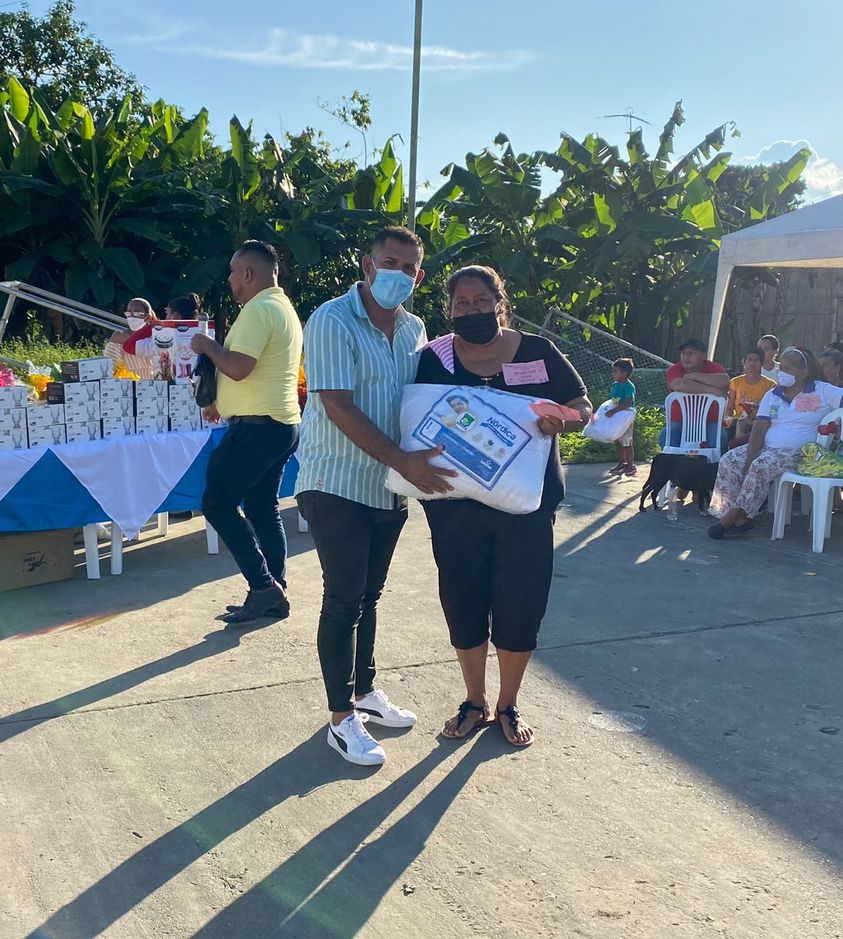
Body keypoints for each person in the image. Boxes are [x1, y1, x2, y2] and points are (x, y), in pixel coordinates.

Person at [295, 226, 455, 767]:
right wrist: (403, 460)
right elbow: (337, 404)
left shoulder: (415, 328)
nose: (399, 275)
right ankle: (341, 718)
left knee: (369, 596)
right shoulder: (331, 319)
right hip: (336, 480)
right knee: (343, 598)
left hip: (389, 487)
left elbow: (421, 401)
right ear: (367, 265)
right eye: (390, 263)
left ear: (419, 276)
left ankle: (363, 691)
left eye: (409, 268)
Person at [415, 265, 592, 747]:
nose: (471, 309)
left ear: (499, 302)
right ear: (449, 310)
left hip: (526, 507)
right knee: (463, 601)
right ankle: (474, 701)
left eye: (480, 301)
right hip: (455, 507)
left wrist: (564, 420)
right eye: (461, 303)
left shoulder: (537, 351)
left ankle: (508, 704)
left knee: (521, 603)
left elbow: (581, 404)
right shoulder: (433, 358)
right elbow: (411, 414)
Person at [191, 240, 303, 623]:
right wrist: (221, 399)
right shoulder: (281, 307)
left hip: (258, 429)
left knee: (216, 503)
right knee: (261, 507)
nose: (229, 279)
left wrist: (208, 346)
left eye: (232, 272)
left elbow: (239, 367)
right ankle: (274, 590)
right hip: (279, 424)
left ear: (248, 274)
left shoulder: (259, 310)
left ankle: (263, 586)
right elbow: (253, 370)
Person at [708, 347, 843, 538]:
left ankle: (732, 518)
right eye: (781, 367)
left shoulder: (821, 390)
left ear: (803, 372)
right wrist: (750, 455)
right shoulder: (773, 394)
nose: (781, 372)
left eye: (788, 369)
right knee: (729, 460)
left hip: (800, 451)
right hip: (768, 447)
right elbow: (760, 427)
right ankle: (736, 516)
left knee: (760, 466)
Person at [660, 337, 729, 449]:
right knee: (665, 437)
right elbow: (677, 384)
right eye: (683, 353)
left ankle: (712, 461)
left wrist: (693, 376)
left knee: (720, 438)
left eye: (692, 353)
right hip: (680, 422)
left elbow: (724, 381)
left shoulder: (713, 367)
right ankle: (675, 460)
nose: (686, 357)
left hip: (710, 422)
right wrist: (712, 390)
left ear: (703, 355)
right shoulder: (675, 369)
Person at [725, 349, 776, 437]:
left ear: (762, 363)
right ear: (744, 362)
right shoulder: (735, 382)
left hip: (759, 421)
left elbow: (772, 409)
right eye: (749, 360)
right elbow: (730, 408)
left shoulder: (770, 385)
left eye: (756, 360)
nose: (752, 363)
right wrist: (727, 422)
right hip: (738, 420)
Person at [104, 298, 156, 379]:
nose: (132, 317)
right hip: (126, 384)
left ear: (147, 317)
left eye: (136, 313)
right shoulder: (118, 337)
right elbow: (108, 367)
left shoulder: (155, 337)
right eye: (128, 313)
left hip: (153, 384)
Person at [605, 357, 636, 477]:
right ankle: (622, 463)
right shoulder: (615, 385)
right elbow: (613, 400)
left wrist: (614, 411)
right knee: (617, 440)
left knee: (627, 441)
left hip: (625, 416)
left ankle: (631, 465)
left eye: (615, 371)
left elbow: (628, 402)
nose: (613, 374)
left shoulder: (629, 386)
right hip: (616, 415)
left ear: (624, 373)